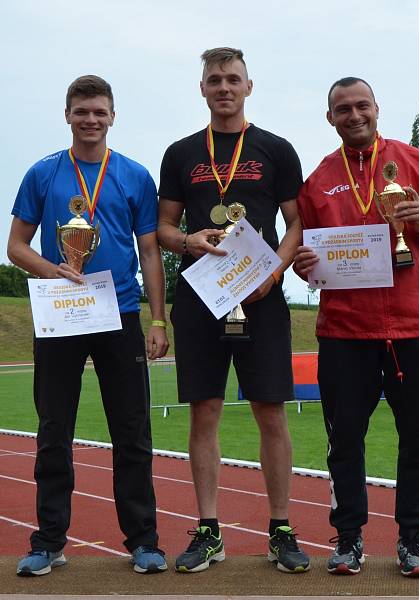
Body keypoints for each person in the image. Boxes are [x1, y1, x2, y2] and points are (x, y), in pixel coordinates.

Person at [293, 77, 419, 577]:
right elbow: (304, 252)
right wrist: (305, 263)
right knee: (344, 440)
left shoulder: (418, 164)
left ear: (376, 108)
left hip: (415, 327)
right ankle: (348, 538)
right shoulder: (320, 179)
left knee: (418, 438)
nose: (354, 115)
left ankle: (412, 540)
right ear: (330, 118)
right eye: (342, 109)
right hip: (346, 332)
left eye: (361, 105)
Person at [7, 75, 169, 576]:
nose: (91, 120)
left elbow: (149, 251)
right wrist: (51, 269)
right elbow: (16, 247)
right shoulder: (43, 173)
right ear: (67, 115)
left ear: (113, 116)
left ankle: (143, 542)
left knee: (133, 432)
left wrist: (158, 317)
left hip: (118, 312)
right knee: (54, 430)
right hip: (61, 312)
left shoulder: (135, 176)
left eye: (100, 112)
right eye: (82, 111)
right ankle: (49, 541)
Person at [157, 47, 310, 574]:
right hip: (200, 296)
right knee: (205, 412)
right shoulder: (180, 153)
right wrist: (188, 241)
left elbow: (295, 224)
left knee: (270, 412)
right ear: (202, 88)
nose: (224, 87)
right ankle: (208, 530)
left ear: (249, 86)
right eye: (214, 79)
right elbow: (162, 229)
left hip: (260, 297)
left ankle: (281, 528)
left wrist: (274, 273)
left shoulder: (276, 149)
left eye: (233, 79)